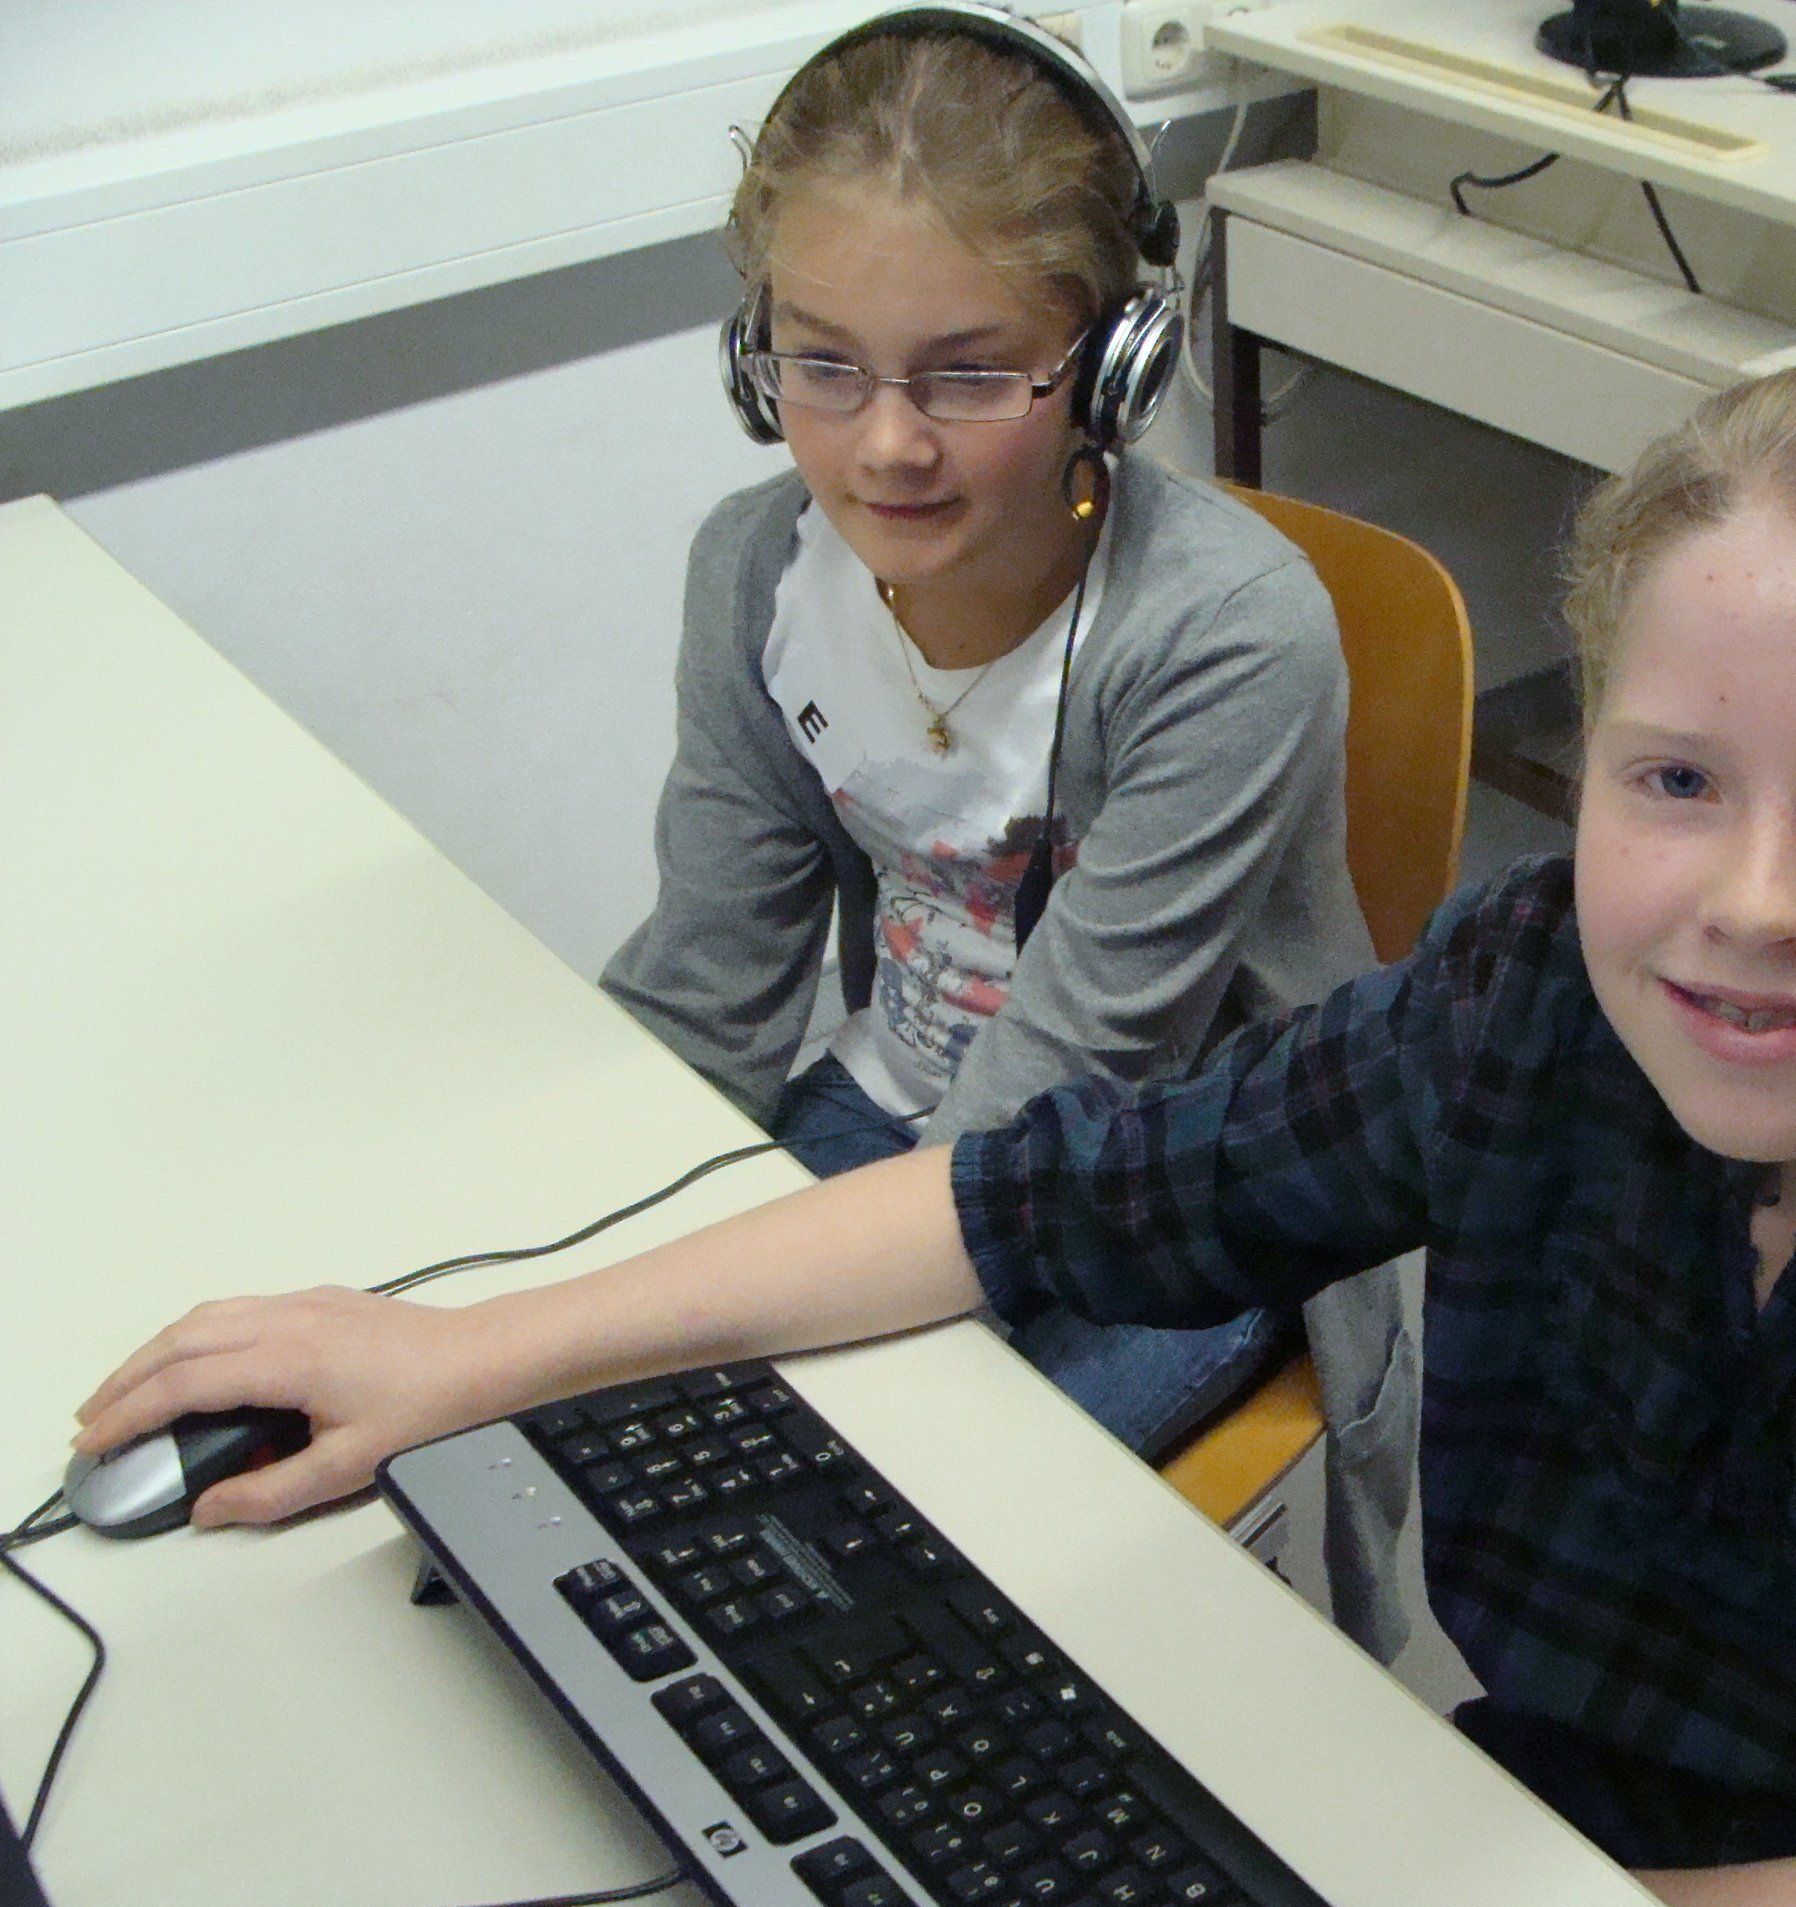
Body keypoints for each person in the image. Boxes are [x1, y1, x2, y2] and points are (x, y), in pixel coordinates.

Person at [78, 356, 1796, 1907]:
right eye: (1675, 780)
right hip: (1525, 1829)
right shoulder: (1535, 1005)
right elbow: (1050, 1198)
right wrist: (469, 1354)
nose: (1752, 903)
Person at [587, 7, 1415, 1650]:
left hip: (1167, 1179)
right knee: (622, 1441)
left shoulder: (1221, 633)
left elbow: (1069, 1086)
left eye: (969, 373)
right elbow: (706, 978)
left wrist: (772, 1309)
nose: (887, 443)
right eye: (823, 365)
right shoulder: (757, 574)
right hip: (902, 1106)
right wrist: (561, 1255)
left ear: (1114, 362)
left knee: (874, 1551)